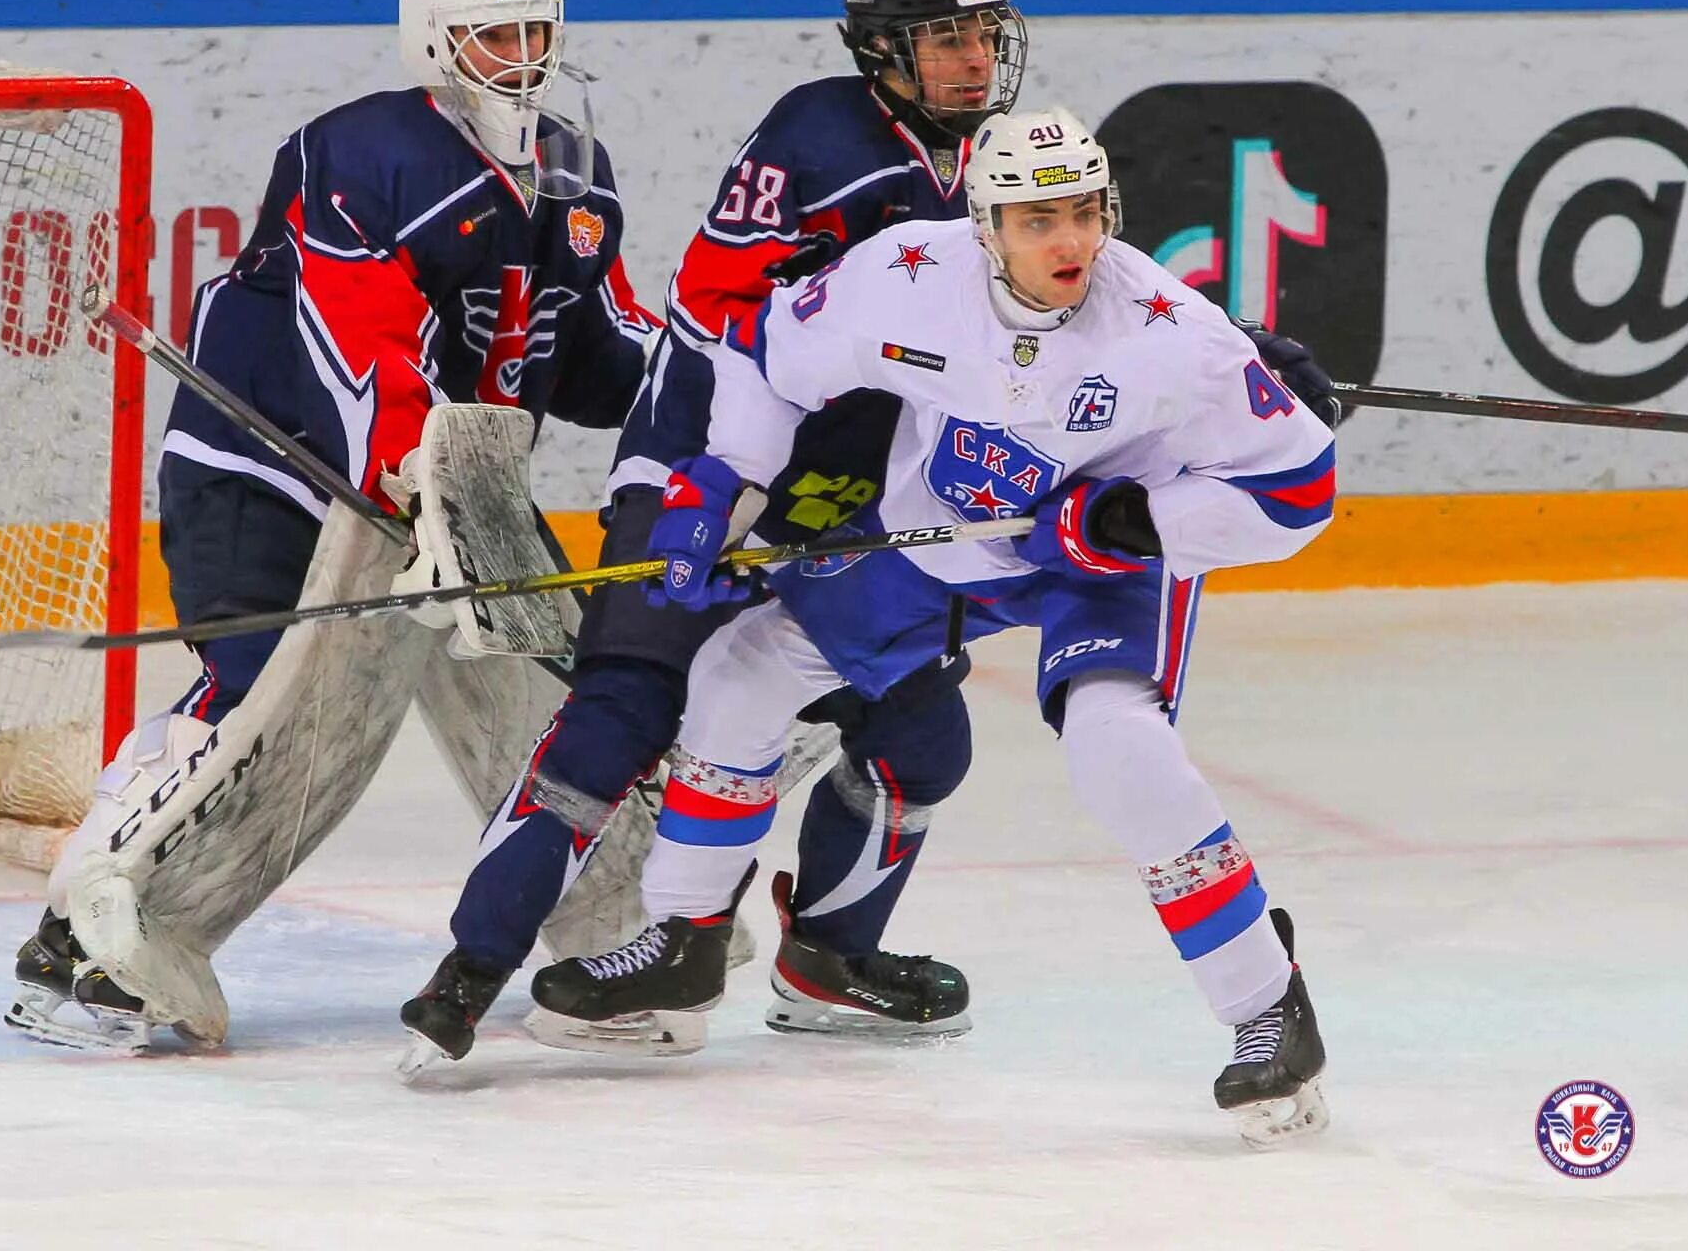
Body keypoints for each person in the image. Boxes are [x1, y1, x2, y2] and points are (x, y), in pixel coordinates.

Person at [531, 106, 1335, 1148]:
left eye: (1086, 213)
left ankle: (1268, 1007)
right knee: (742, 669)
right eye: (1040, 218)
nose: (1071, 243)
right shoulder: (905, 271)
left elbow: (1300, 488)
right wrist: (724, 481)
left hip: (1099, 561)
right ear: (985, 224)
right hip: (943, 532)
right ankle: (685, 944)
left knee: (1116, 749)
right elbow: (774, 359)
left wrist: (1143, 519)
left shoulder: (1171, 336)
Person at [5, 0, 659, 1051]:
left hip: (461, 484)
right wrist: (418, 486)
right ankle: (88, 945)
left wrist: (719, 423)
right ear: (436, 44)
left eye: (533, 30)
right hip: (275, 465)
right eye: (489, 34)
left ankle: (610, 943)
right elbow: (360, 351)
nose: (519, 53)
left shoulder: (575, 168)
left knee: (550, 705)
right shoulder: (356, 152)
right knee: (274, 704)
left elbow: (608, 352)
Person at [402, 0, 1037, 1065]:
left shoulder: (992, 165)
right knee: (620, 721)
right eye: (943, 35)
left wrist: (1221, 367)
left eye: (984, 31)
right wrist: (725, 488)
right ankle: (473, 967)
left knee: (920, 741)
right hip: (706, 472)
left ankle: (831, 961)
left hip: (846, 511)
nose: (973, 58)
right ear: (883, 48)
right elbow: (714, 313)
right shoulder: (822, 136)